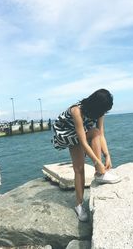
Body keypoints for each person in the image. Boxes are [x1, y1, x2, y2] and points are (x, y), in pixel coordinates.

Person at [52, 89, 120, 221]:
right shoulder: (76, 111)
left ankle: (100, 174)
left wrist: (107, 155)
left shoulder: (99, 111)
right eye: (103, 110)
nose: (104, 113)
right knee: (79, 169)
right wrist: (98, 162)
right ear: (96, 105)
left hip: (83, 131)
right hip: (66, 133)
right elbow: (83, 142)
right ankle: (79, 205)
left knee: (95, 132)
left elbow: (101, 134)